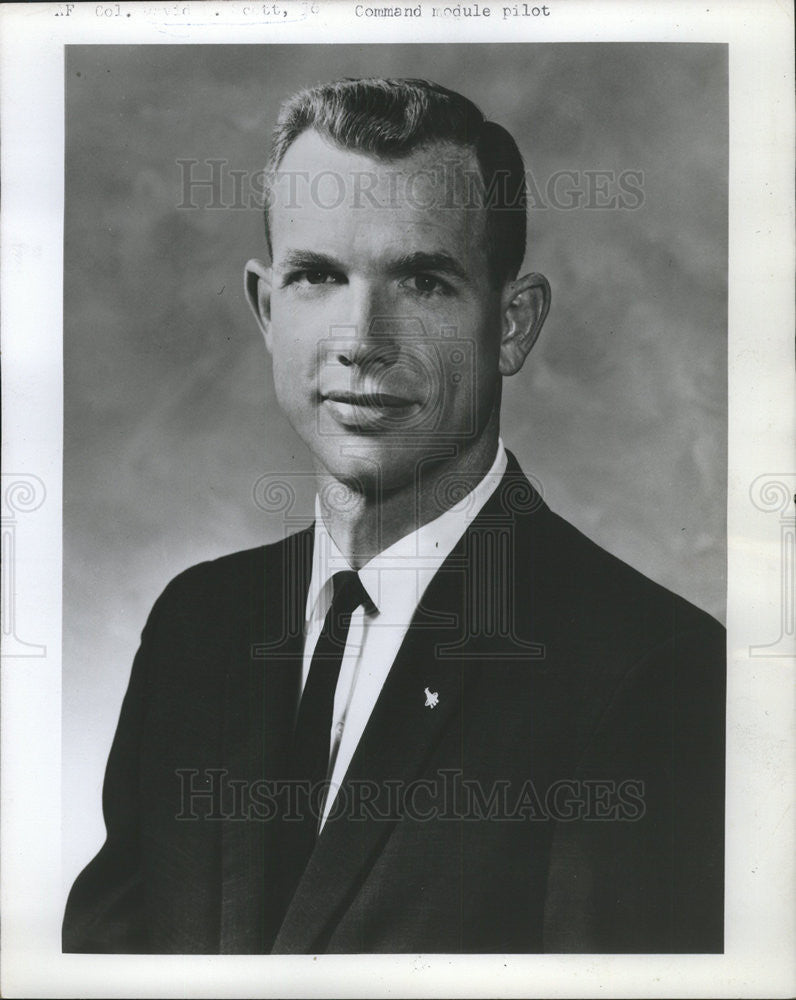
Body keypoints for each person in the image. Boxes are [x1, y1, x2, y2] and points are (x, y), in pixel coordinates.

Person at [62, 77, 725, 954]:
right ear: (267, 309)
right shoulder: (198, 626)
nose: (363, 338)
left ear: (512, 326)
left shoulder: (647, 672)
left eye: (422, 281)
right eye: (317, 277)